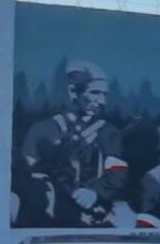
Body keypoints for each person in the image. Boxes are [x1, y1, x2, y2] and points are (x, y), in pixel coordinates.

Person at [16, 61, 130, 227]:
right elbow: (27, 174)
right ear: (73, 91)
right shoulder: (42, 131)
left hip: (97, 212)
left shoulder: (108, 132)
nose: (102, 101)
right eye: (95, 93)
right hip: (52, 215)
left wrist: (95, 193)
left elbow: (117, 173)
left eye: (104, 94)